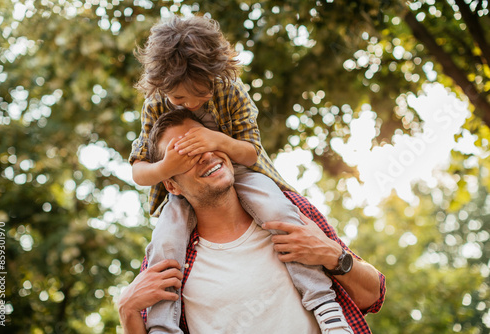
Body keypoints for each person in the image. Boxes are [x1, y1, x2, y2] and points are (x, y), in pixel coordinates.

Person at [129, 15, 357, 334]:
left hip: (239, 168)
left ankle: (324, 305)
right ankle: (162, 326)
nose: (191, 104)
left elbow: (250, 150)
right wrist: (168, 166)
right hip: (182, 182)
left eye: (201, 94)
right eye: (180, 99)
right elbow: (139, 171)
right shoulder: (155, 103)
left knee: (280, 213)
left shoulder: (230, 88)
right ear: (161, 86)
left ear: (216, 76)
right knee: (165, 243)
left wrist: (217, 141)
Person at [118, 110, 386, 334]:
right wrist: (127, 311)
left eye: (204, 141)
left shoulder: (289, 210)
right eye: (184, 154)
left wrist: (333, 254)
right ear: (171, 185)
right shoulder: (168, 256)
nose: (204, 155)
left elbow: (372, 295)